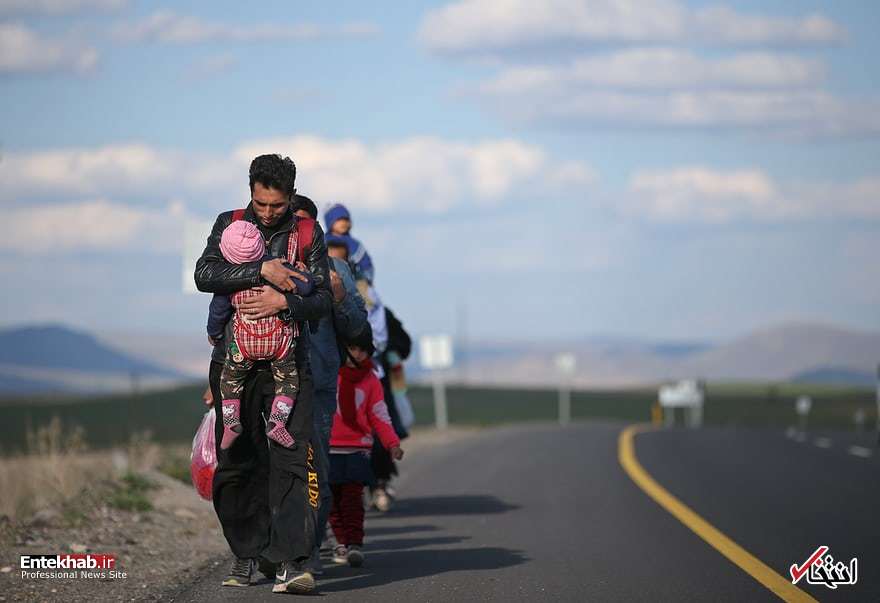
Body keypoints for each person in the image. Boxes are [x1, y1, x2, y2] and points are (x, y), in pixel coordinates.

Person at [195, 154, 331, 595]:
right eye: (260, 204)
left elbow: (322, 300)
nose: (268, 213)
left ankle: (294, 562)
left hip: (288, 365)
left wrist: (284, 301)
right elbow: (204, 273)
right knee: (237, 461)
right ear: (250, 193)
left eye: (276, 205)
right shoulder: (229, 224)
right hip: (233, 364)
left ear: (291, 197)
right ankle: (246, 553)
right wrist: (260, 270)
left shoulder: (308, 234)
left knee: (290, 459)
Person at [291, 194, 368, 574]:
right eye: (293, 223)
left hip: (319, 385)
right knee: (274, 472)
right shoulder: (265, 266)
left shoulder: (335, 268)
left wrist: (339, 297)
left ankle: (307, 553)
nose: (299, 231)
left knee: (314, 473)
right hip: (271, 382)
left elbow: (357, 328)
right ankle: (275, 550)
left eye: (306, 224)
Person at [208, 219, 314, 450]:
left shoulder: (230, 280)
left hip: (243, 347)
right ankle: (278, 423)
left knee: (229, 380)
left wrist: (213, 333)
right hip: (279, 345)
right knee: (288, 382)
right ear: (260, 244)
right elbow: (306, 287)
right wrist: (306, 276)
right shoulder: (278, 268)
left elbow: (217, 311)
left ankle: (230, 423)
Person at [328, 326, 404, 567]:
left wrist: (392, 443)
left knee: (352, 500)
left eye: (362, 350)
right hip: (327, 449)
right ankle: (340, 542)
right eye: (352, 348)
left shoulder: (371, 379)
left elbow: (379, 415)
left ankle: (354, 544)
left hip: (357, 449)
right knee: (330, 501)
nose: (357, 354)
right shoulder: (328, 373)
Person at [323, 203, 375, 284]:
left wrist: (367, 279)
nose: (343, 223)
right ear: (330, 222)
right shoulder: (323, 240)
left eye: (346, 220)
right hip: (326, 276)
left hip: (352, 279)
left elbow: (366, 263)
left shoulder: (354, 244)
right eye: (339, 220)